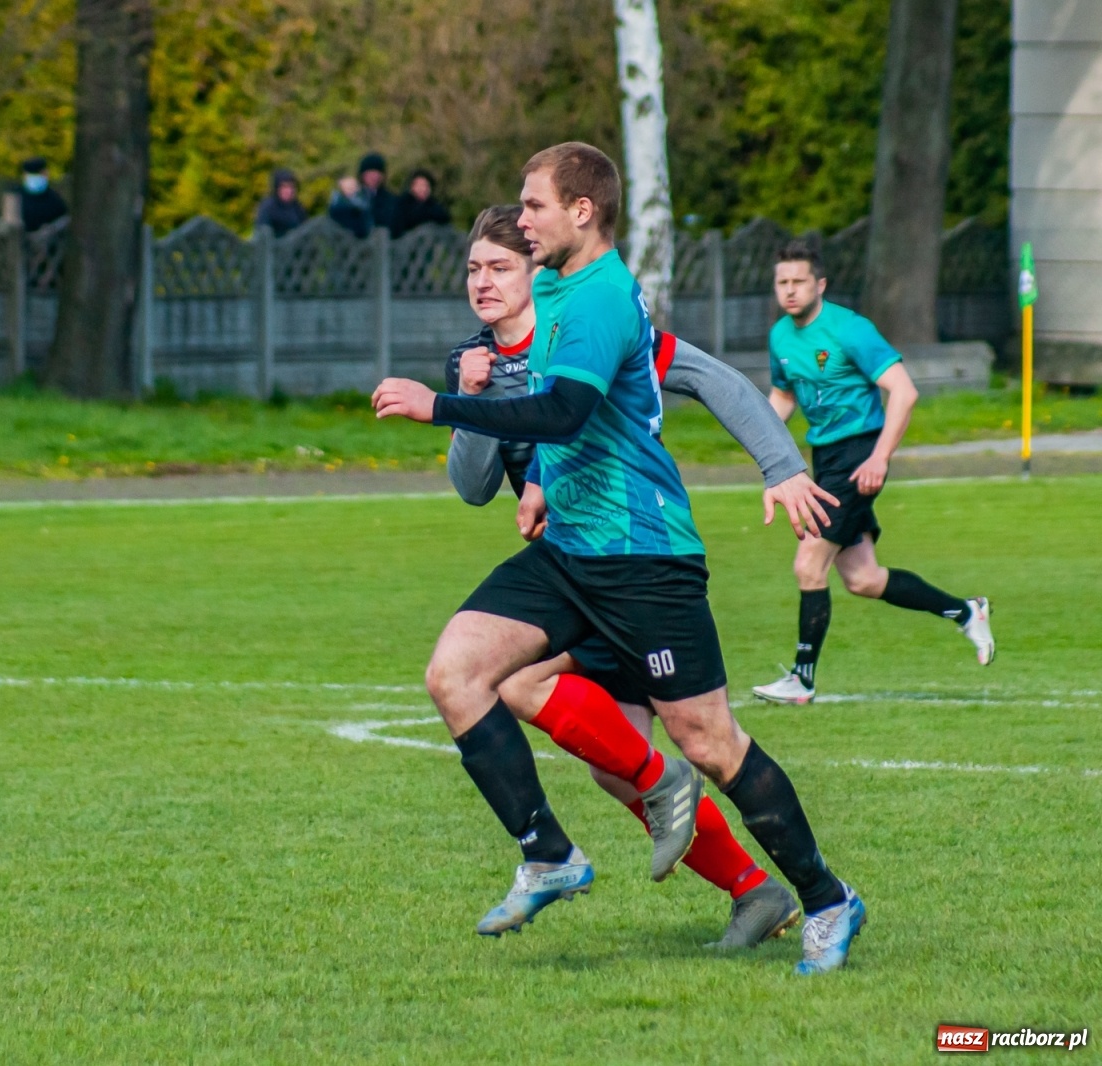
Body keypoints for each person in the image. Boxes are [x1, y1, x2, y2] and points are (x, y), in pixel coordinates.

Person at [372, 142, 867, 975]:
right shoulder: (559, 290)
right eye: (486, 255)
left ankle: (825, 899)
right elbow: (558, 429)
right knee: (459, 672)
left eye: (529, 211)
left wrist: (440, 407)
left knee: (710, 742)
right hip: (571, 552)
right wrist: (534, 472)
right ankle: (548, 854)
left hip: (644, 560)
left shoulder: (598, 298)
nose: (518, 228)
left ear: (581, 212)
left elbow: (571, 410)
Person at [447, 204, 835, 946]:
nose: (484, 282)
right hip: (571, 570)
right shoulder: (480, 360)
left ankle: (807, 888)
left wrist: (783, 465)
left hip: (638, 560)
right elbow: (470, 485)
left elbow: (711, 381)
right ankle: (750, 887)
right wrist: (473, 402)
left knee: (700, 740)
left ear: (538, 274)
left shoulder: (596, 328)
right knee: (595, 748)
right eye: (474, 268)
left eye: (500, 266)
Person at [751, 239, 995, 705]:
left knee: (808, 563)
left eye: (799, 281)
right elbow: (784, 396)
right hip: (825, 460)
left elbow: (903, 392)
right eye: (782, 282)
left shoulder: (850, 330)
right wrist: (756, 433)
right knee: (863, 579)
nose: (790, 290)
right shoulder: (780, 335)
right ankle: (967, 612)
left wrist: (879, 457)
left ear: (820, 284)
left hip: (858, 454)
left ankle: (802, 680)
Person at [327, 152, 396, 237]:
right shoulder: (352, 197)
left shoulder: (391, 199)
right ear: (362, 174)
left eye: (377, 173)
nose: (374, 176)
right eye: (370, 172)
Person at [391, 169, 452, 238]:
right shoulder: (402, 204)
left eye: (426, 186)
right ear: (412, 187)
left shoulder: (433, 205)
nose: (423, 189)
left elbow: (444, 217)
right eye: (420, 185)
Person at [255, 168, 308, 237]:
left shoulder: (298, 208)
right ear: (277, 188)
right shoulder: (268, 207)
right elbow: (262, 234)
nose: (288, 191)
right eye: (284, 187)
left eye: (291, 187)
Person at [20, 157, 68, 231]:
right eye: (33, 174)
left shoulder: (54, 199)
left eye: (38, 174)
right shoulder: (16, 198)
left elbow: (62, 219)